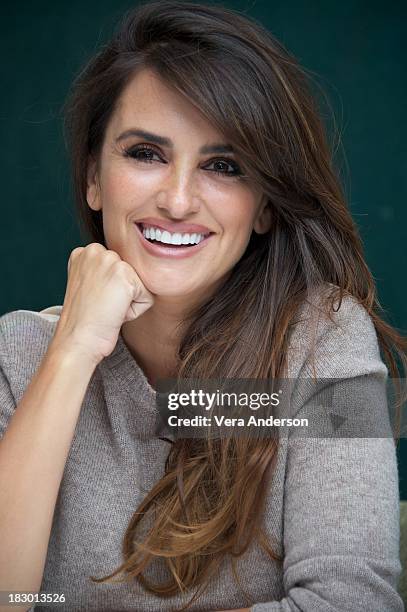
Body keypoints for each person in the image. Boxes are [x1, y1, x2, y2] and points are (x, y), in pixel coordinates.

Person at [0, 1, 405, 610]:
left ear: (265, 205)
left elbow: (349, 601)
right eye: (145, 153)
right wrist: (72, 352)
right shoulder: (19, 354)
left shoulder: (323, 343)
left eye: (223, 166)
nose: (179, 199)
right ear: (92, 175)